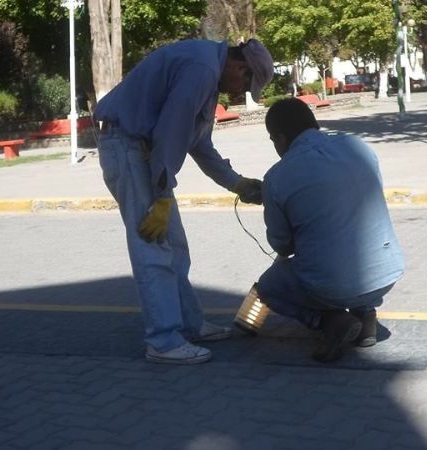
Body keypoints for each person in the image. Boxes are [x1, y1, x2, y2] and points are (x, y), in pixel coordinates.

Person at [94, 39, 274, 365]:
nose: (239, 94)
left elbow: (199, 144)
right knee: (154, 248)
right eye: (246, 84)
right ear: (239, 67)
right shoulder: (202, 69)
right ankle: (163, 342)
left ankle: (189, 325)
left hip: (141, 151)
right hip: (128, 147)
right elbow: (171, 133)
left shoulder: (207, 72)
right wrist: (162, 196)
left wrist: (237, 183)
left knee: (175, 247)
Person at [256, 98, 405, 362]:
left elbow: (283, 246)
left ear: (279, 137)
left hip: (332, 286)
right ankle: (365, 313)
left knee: (268, 287)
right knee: (347, 239)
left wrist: (275, 202)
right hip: (387, 273)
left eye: (272, 140)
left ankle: (330, 320)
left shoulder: (277, 177)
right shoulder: (356, 146)